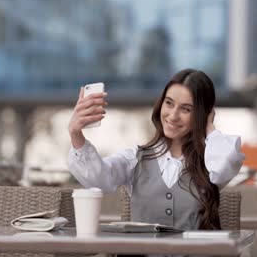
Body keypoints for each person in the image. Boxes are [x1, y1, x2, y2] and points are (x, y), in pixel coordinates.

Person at [67, 68, 245, 230]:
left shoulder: (211, 161)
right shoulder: (135, 158)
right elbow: (99, 180)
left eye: (186, 109)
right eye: (169, 103)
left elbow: (225, 165)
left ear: (202, 114)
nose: (173, 116)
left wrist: (209, 127)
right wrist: (76, 133)